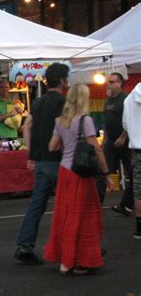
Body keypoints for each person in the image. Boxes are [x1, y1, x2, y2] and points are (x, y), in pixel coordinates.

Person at [44, 84, 114, 275]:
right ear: (84, 99)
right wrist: (107, 174)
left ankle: (66, 261)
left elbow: (51, 147)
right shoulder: (86, 121)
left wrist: (66, 145)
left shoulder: (60, 121)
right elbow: (97, 149)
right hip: (80, 174)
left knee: (66, 215)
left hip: (65, 172)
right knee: (84, 217)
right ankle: (80, 261)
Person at [14, 63, 69, 264]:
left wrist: (31, 153)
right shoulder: (63, 101)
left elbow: (26, 127)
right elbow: (61, 129)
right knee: (69, 205)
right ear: (63, 80)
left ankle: (24, 245)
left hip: (41, 161)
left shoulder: (38, 102)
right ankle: (72, 247)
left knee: (36, 205)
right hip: (59, 159)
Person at [103, 73, 133, 215]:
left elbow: (130, 120)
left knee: (133, 175)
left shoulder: (126, 100)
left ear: (119, 83)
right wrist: (104, 141)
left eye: (111, 81)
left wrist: (123, 137)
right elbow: (107, 122)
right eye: (108, 81)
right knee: (103, 172)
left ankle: (126, 205)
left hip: (125, 142)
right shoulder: (107, 101)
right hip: (110, 142)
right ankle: (96, 204)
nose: (108, 84)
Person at [122, 82, 141, 240]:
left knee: (138, 190)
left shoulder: (128, 99)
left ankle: (139, 228)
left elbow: (125, 125)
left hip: (137, 149)